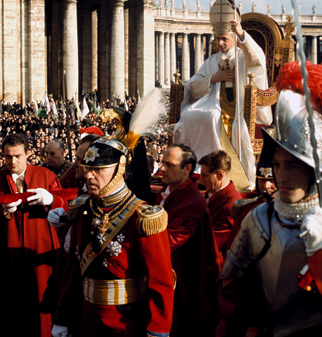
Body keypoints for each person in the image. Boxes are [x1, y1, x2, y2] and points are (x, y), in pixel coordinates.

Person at [217, 61, 322, 336]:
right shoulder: (258, 219)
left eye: (293, 166)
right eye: (277, 165)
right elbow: (232, 286)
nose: (282, 176)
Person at [52, 137, 174, 337]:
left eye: (99, 169)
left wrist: (157, 331)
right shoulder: (82, 208)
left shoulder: (142, 216)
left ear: (119, 170)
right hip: (85, 318)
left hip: (126, 322)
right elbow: (72, 269)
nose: (89, 175)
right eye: (87, 168)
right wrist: (62, 317)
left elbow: (160, 280)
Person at [173, 0, 272, 187]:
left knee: (212, 117)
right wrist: (213, 78)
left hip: (240, 107)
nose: (220, 43)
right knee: (191, 116)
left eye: (224, 39)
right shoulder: (212, 61)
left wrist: (242, 34)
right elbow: (193, 86)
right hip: (214, 104)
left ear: (234, 38)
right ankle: (200, 170)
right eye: (218, 39)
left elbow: (258, 64)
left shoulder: (243, 57)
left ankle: (224, 171)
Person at [0, 133, 67, 337]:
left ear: (28, 153)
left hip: (41, 250)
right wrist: (1, 211)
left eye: (17, 155)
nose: (13, 161)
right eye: (8, 156)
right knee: (14, 304)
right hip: (9, 255)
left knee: (43, 302)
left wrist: (52, 200)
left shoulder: (46, 176)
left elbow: (66, 208)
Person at [158, 144, 221, 337]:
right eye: (162, 163)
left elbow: (168, 241)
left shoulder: (193, 203)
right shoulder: (170, 191)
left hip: (185, 284)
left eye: (169, 165)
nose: (162, 168)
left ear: (187, 169)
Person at [199, 150, 242, 258]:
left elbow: (213, 243)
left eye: (205, 175)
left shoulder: (231, 205)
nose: (201, 179)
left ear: (220, 175)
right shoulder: (213, 191)